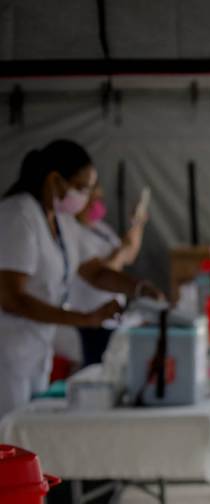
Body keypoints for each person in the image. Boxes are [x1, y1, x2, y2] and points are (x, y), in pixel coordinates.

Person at [0, 140, 160, 419]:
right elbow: (12, 298)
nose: (86, 197)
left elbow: (95, 272)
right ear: (55, 180)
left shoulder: (62, 222)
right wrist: (85, 318)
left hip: (36, 348)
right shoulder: (19, 216)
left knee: (26, 432)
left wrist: (139, 288)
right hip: (8, 349)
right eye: (82, 187)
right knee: (9, 438)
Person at [68, 183, 149, 365]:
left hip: (112, 316)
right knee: (96, 368)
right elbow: (103, 273)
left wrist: (137, 224)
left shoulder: (100, 228)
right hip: (91, 316)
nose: (98, 203)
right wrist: (119, 252)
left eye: (99, 198)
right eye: (94, 199)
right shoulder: (74, 233)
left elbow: (128, 255)